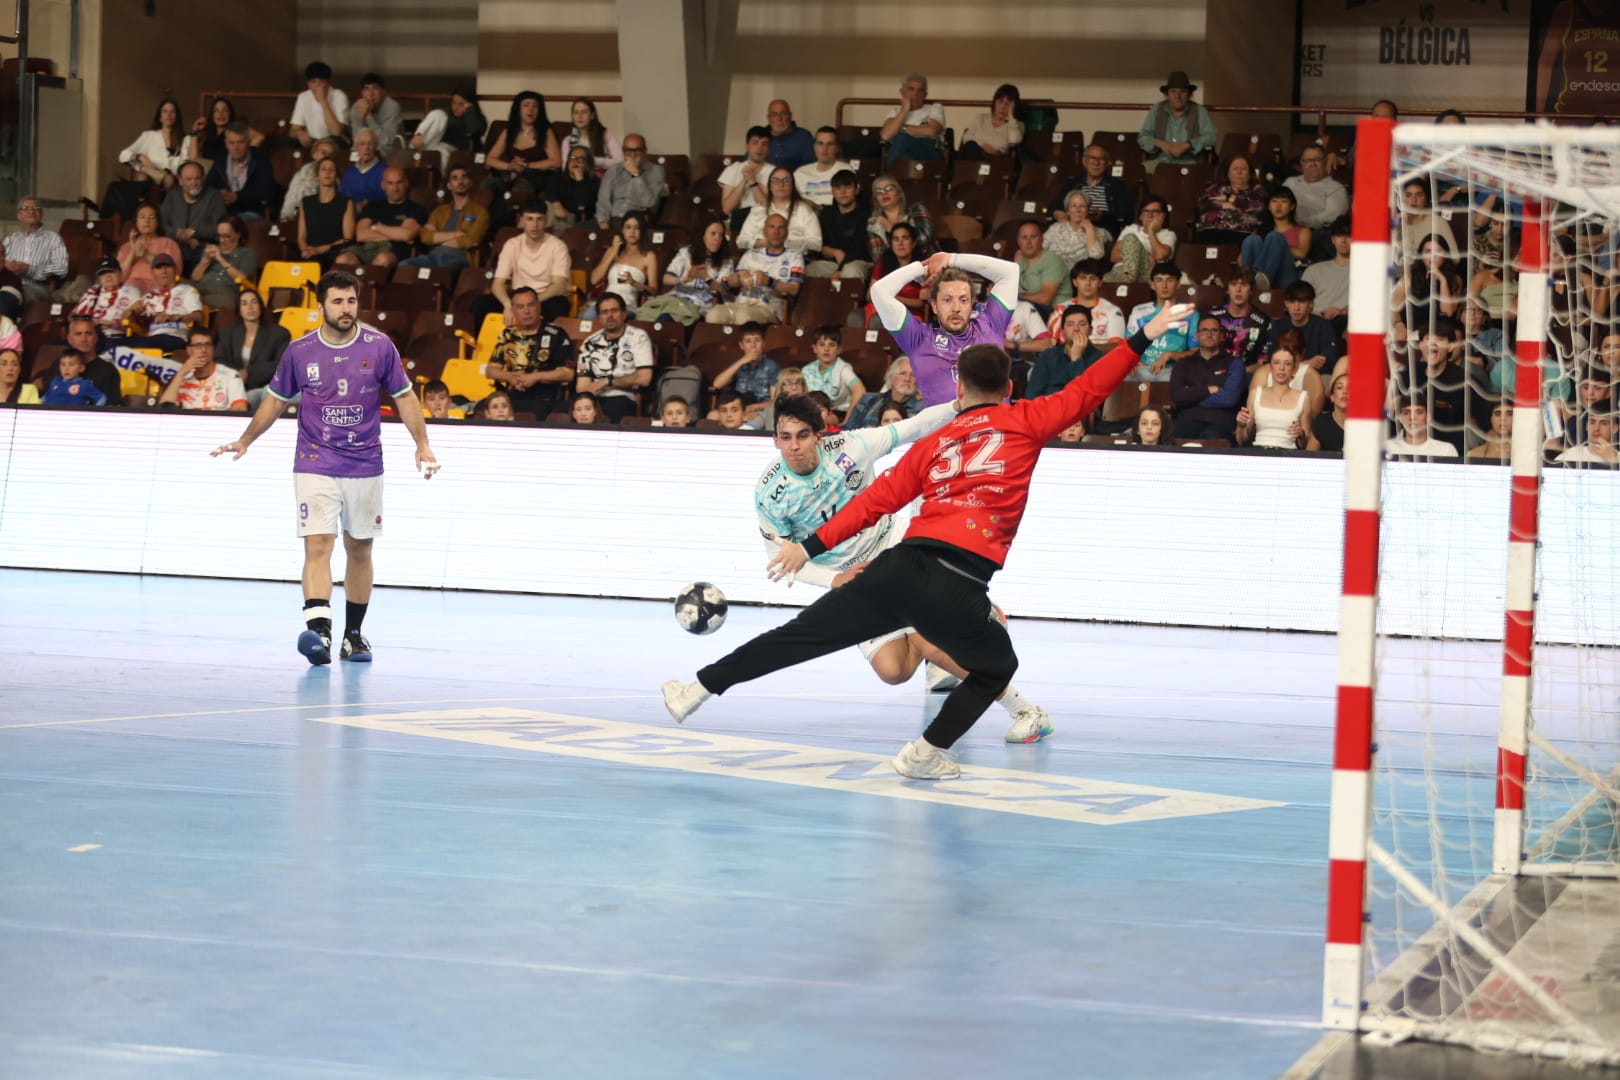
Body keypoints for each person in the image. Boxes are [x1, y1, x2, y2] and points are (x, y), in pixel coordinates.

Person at [661, 303, 1195, 779]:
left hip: (897, 566)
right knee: (995, 667)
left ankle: (695, 691)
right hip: (957, 580)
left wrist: (809, 547)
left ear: (959, 391)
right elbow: (1091, 387)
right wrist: (1142, 337)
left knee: (795, 638)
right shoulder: (1028, 419)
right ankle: (924, 752)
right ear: (1009, 389)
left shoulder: (937, 442)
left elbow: (876, 502)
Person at [757, 392, 1053, 739]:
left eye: (803, 435)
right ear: (775, 440)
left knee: (931, 645)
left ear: (818, 436)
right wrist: (835, 580)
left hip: (894, 548)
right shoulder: (770, 494)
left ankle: (1026, 712)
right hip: (852, 578)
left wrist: (955, 406)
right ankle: (965, 614)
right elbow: (783, 558)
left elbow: (914, 426)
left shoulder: (852, 446)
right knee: (894, 670)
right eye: (786, 437)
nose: (794, 446)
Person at [210, 269, 439, 665]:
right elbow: (275, 399)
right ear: (321, 307)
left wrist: (422, 443)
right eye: (337, 301)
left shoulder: (380, 346)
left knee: (360, 548)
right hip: (315, 460)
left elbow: (404, 396)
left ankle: (354, 636)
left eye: (351, 300)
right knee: (318, 544)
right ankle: (319, 633)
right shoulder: (300, 351)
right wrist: (246, 439)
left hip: (365, 461)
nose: (346, 308)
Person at [871, 250, 1019, 408]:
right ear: (934, 305)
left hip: (995, 422)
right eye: (947, 300)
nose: (956, 308)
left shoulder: (991, 324)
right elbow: (879, 291)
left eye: (963, 300)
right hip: (946, 424)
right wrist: (921, 269)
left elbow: (1011, 271)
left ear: (972, 304)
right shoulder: (918, 339)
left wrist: (951, 259)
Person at [485, 285, 576, 418]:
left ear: (539, 306)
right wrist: (510, 377)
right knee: (482, 408)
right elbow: (490, 370)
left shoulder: (556, 334)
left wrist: (535, 377)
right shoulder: (508, 334)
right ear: (513, 310)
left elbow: (568, 374)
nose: (526, 311)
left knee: (531, 414)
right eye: (520, 307)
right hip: (513, 394)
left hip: (545, 397)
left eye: (531, 305)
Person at [707, 214, 802, 325]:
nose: (776, 232)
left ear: (787, 233)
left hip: (767, 308)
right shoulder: (750, 254)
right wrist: (739, 275)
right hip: (740, 303)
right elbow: (729, 284)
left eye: (780, 228)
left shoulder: (794, 257)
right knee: (714, 315)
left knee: (743, 316)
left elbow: (794, 289)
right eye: (771, 227)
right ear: (764, 231)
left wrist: (770, 282)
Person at [573, 293, 653, 422]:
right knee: (563, 410)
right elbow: (582, 386)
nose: (610, 316)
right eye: (605, 312)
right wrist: (586, 405)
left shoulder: (638, 337)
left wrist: (607, 381)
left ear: (624, 314)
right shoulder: (589, 342)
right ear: (599, 318)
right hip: (593, 400)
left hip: (623, 397)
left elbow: (644, 378)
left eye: (614, 311)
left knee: (614, 408)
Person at [639, 217, 735, 326]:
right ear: (702, 235)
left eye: (721, 235)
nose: (717, 238)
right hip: (675, 300)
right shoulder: (686, 252)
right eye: (713, 234)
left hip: (699, 306)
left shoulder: (726, 261)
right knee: (649, 315)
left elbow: (723, 290)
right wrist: (684, 279)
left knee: (666, 319)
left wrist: (707, 278)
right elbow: (666, 279)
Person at [1170, 312, 1247, 439]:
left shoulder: (1235, 363)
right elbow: (1177, 396)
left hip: (1221, 421)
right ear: (1197, 335)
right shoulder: (1183, 363)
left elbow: (1229, 399)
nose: (1209, 334)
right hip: (1188, 420)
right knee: (1175, 435)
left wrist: (1191, 397)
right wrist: (1209, 390)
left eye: (1214, 330)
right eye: (1204, 330)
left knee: (1212, 436)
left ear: (1221, 336)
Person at [336, 167, 427, 272]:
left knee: (383, 259)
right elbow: (361, 235)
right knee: (343, 259)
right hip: (366, 249)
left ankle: (366, 282)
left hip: (394, 251)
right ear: (383, 185)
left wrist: (376, 227)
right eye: (390, 183)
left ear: (406, 183)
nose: (395, 188)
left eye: (399, 182)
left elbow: (406, 235)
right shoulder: (372, 206)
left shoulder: (416, 209)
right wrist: (396, 233)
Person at [403, 165, 490, 270]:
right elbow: (425, 236)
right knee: (404, 265)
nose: (460, 181)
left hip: (458, 257)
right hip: (434, 257)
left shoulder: (480, 212)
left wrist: (439, 239)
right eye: (455, 178)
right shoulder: (439, 211)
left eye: (464, 177)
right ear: (449, 186)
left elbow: (471, 240)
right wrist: (456, 234)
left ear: (470, 183)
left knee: (441, 272)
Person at [485, 92, 563, 206]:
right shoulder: (509, 131)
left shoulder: (545, 131)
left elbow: (556, 162)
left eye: (535, 106)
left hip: (534, 177)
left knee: (521, 185)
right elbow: (490, 159)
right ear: (518, 109)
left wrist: (527, 165)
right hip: (511, 174)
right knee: (487, 184)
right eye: (526, 105)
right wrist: (509, 166)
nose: (531, 110)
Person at [219, 288, 291, 408]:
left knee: (252, 397)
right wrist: (236, 375)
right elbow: (219, 359)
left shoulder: (279, 334)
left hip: (264, 387)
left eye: (254, 302)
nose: (250, 307)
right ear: (239, 309)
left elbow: (281, 365)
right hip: (234, 386)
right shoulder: (228, 333)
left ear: (260, 306)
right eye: (244, 304)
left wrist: (249, 373)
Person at [1124, 261, 1195, 382]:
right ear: (1152, 285)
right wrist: (1132, 362)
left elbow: (1196, 352)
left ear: (1178, 284)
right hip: (1140, 369)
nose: (1164, 285)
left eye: (1169, 280)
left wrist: (1170, 355)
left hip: (1171, 371)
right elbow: (1128, 344)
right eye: (1159, 280)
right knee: (1117, 376)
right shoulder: (1139, 311)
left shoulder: (1189, 314)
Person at [1236, 343, 1314, 449]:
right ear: (1270, 367)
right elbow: (1242, 440)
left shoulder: (1304, 398)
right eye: (1277, 363)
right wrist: (1240, 426)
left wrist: (1300, 435)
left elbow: (1305, 444)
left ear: (1293, 369)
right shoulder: (1255, 394)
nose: (1281, 368)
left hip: (1287, 454)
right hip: (1259, 452)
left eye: (1287, 364)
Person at [1054, 144, 1135, 239]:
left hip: (1102, 230)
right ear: (1084, 161)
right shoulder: (1072, 184)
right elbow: (1054, 207)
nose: (1096, 163)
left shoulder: (1117, 185)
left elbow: (1127, 215)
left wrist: (1102, 215)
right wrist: (1058, 213)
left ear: (1106, 163)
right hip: (1073, 229)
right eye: (1092, 158)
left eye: (1101, 159)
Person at [1137, 71, 1217, 167]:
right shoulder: (1157, 109)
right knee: (1140, 170)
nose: (1177, 96)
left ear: (1189, 94)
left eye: (1182, 92)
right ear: (1167, 94)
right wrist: (1161, 144)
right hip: (1160, 162)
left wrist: (1188, 144)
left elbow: (1212, 137)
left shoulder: (1199, 111)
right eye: (1173, 91)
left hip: (1191, 163)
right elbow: (1143, 137)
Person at [157, 328, 248, 412]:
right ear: (189, 350)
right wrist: (181, 373)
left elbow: (240, 408)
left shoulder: (230, 375)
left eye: (207, 345)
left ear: (213, 349)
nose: (204, 350)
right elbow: (164, 410)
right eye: (198, 345)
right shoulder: (181, 377)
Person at [586, 211, 659, 316]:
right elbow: (594, 279)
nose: (632, 231)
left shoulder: (648, 256)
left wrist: (634, 283)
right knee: (588, 315)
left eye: (636, 228)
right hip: (605, 303)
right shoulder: (613, 250)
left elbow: (654, 290)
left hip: (627, 306)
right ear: (622, 231)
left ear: (642, 231)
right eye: (628, 227)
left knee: (615, 316)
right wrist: (614, 249)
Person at [125, 254, 202, 351]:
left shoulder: (187, 290)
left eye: (168, 267)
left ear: (175, 270)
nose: (164, 271)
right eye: (159, 268)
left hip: (175, 336)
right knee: (120, 346)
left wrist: (175, 317)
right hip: (151, 338)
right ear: (152, 273)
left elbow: (198, 316)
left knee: (144, 345)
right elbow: (127, 316)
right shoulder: (149, 296)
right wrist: (130, 311)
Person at [737, 166, 822, 253]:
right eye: (775, 180)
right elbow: (741, 241)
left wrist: (786, 243)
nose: (781, 184)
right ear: (769, 186)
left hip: (794, 257)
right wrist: (762, 243)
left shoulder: (804, 210)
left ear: (793, 186)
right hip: (760, 256)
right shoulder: (758, 209)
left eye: (786, 180)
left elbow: (816, 244)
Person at [1025, 306, 1104, 399]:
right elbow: (1031, 395)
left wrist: (1076, 359)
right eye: (1070, 324)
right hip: (1049, 405)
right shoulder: (1048, 356)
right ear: (1062, 331)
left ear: (1090, 330)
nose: (1076, 329)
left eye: (1082, 324)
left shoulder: (1100, 359)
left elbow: (1086, 396)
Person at [1239, 186, 1310, 290]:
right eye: (1274, 201)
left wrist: (1278, 246)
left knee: (1275, 237)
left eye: (1284, 201)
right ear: (1269, 206)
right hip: (1255, 277)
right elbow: (1241, 259)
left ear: (1292, 206)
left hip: (1286, 276)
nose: (1278, 205)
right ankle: (1248, 282)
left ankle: (1263, 277)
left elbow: (1301, 254)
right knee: (1252, 239)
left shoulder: (1302, 230)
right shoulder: (1260, 230)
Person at [807, 169, 872, 281]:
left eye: (847, 187)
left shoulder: (866, 214)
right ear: (832, 191)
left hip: (859, 261)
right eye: (838, 188)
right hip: (832, 263)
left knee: (850, 271)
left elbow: (859, 248)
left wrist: (840, 270)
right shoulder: (827, 214)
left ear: (857, 189)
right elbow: (821, 246)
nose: (843, 192)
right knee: (809, 270)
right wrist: (834, 252)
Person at [162, 160, 227, 272]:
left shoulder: (214, 197)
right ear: (180, 180)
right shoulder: (172, 196)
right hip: (175, 247)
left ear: (203, 179)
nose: (194, 183)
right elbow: (161, 225)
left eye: (197, 178)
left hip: (203, 249)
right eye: (189, 179)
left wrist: (193, 232)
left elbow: (221, 228)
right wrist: (178, 234)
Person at [709, 321, 780, 421]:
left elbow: (774, 402)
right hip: (736, 409)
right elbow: (717, 384)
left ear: (764, 343)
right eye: (748, 341)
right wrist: (741, 361)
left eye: (757, 340)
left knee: (749, 417)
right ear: (741, 345)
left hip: (760, 410)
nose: (753, 345)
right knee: (712, 416)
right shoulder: (737, 364)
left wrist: (754, 407)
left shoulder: (772, 366)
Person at [1044, 258, 1125, 346]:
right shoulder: (1060, 310)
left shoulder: (1113, 311)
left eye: (1093, 278)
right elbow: (1050, 344)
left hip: (1100, 355)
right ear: (1075, 282)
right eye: (1083, 278)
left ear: (1100, 282)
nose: (1087, 283)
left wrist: (1085, 348)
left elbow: (1116, 346)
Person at [206, 122, 276, 221]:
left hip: (251, 212)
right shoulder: (220, 160)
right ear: (226, 143)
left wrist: (237, 196)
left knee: (231, 223)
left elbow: (267, 191)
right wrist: (218, 194)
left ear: (248, 143)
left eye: (241, 142)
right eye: (231, 143)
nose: (236, 148)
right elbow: (208, 187)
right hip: (223, 212)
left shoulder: (260, 160)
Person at [4, 197, 68, 304]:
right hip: (10, 285)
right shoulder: (11, 239)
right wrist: (6, 267)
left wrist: (29, 269)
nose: (31, 212)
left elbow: (62, 269)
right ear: (19, 215)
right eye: (26, 208)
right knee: (8, 293)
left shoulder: (53, 238)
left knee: (14, 294)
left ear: (41, 214)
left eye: (36, 208)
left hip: (38, 288)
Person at [594, 134, 664, 229]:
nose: (633, 155)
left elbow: (650, 203)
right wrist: (603, 223)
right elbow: (603, 201)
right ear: (623, 151)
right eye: (628, 150)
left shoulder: (656, 171)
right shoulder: (613, 170)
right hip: (612, 218)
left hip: (636, 220)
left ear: (645, 151)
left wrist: (636, 174)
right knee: (578, 229)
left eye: (637, 150)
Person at [1195, 156, 1268, 245]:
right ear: (1228, 173)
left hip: (1240, 232)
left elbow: (1258, 206)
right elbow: (1203, 204)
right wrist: (1224, 205)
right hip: (1210, 230)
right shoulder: (1216, 188)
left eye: (1243, 169)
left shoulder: (1257, 190)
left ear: (1250, 173)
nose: (1239, 172)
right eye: (1235, 168)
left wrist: (1230, 198)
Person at [411, 87, 487, 171]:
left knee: (441, 151)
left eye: (461, 104)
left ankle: (440, 177)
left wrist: (470, 110)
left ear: (470, 105)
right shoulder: (446, 117)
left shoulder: (476, 119)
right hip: (430, 145)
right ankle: (415, 142)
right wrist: (419, 134)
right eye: (453, 103)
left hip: (454, 150)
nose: (456, 107)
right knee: (438, 113)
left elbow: (475, 130)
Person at [298, 157, 355, 269]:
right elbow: (301, 237)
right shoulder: (306, 202)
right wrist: (306, 250)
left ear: (337, 176)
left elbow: (347, 238)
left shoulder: (346, 202)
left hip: (333, 252)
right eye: (323, 169)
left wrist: (319, 250)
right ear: (317, 177)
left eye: (332, 169)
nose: (327, 172)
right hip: (310, 252)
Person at [190, 214, 257, 309]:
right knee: (183, 288)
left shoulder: (247, 253)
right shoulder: (212, 250)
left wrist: (220, 259)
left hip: (224, 291)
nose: (221, 240)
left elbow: (242, 278)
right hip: (201, 289)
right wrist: (205, 260)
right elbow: (195, 278)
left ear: (238, 234)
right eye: (219, 236)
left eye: (226, 236)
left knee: (193, 301)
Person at [1104, 196, 1175, 284]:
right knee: (1102, 281)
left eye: (1155, 211)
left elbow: (1159, 256)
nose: (1150, 215)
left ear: (1163, 215)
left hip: (1147, 274)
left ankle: (1130, 278)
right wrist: (1146, 255)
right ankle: (1128, 278)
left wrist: (1151, 231)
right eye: (1146, 211)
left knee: (1131, 238)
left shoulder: (1168, 234)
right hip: (1119, 271)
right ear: (1140, 216)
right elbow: (1114, 256)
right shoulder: (1130, 229)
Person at [1212, 266, 1272, 369]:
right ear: (1227, 290)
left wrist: (1239, 373)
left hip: (1247, 373)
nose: (1238, 290)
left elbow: (1263, 362)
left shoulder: (1262, 321)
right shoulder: (1213, 316)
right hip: (1214, 372)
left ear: (1251, 290)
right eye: (1233, 284)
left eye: (1244, 285)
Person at [866, 175, 933, 265]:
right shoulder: (874, 222)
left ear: (899, 193)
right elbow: (878, 256)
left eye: (889, 189)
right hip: (891, 268)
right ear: (876, 200)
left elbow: (923, 240)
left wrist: (891, 228)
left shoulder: (916, 210)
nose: (884, 193)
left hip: (924, 263)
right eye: (879, 192)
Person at [718, 126, 774, 234]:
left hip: (764, 222)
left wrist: (753, 182)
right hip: (738, 222)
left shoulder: (775, 172)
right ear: (747, 146)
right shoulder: (733, 169)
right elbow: (726, 208)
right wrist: (744, 180)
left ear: (769, 148)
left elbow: (768, 208)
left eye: (764, 144)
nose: (760, 148)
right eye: (755, 143)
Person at [880, 73, 946, 164]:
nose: (915, 94)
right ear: (902, 92)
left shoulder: (934, 108)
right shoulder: (895, 112)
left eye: (920, 90)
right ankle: (899, 171)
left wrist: (902, 129)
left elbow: (932, 131)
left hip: (929, 151)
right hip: (903, 153)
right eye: (911, 89)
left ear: (925, 94)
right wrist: (904, 110)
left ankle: (892, 172)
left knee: (901, 138)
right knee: (902, 149)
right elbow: (886, 135)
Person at [802, 325, 866, 418]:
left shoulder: (843, 368)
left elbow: (860, 390)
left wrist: (847, 420)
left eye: (831, 345)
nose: (826, 349)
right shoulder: (806, 370)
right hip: (811, 412)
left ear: (839, 350)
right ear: (814, 348)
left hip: (836, 413)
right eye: (822, 344)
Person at [116, 205, 183, 293]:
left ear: (157, 223)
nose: (147, 221)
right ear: (136, 222)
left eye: (151, 218)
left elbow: (176, 272)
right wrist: (132, 253)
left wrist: (146, 256)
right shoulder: (126, 248)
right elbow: (118, 278)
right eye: (142, 217)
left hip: (159, 290)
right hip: (131, 290)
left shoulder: (169, 244)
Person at [844, 354, 923, 428]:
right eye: (902, 373)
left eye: (913, 375)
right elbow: (849, 430)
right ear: (891, 378)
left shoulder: (922, 410)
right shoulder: (868, 400)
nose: (907, 379)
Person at [73, 258, 142, 339]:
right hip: (89, 336)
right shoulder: (92, 292)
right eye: (103, 273)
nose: (108, 276)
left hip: (116, 337)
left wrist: (111, 323)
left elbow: (137, 322)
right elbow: (73, 315)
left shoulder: (132, 291)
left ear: (120, 273)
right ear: (99, 278)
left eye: (111, 272)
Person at [287, 61, 349, 148]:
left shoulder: (339, 96)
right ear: (308, 84)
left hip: (335, 142)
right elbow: (293, 130)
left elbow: (336, 132)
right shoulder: (303, 97)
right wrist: (299, 132)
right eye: (313, 81)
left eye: (321, 81)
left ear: (328, 83)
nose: (317, 85)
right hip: (312, 142)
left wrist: (323, 101)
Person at [1045, 190, 1109, 270]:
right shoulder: (1056, 228)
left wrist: (1089, 229)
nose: (1078, 210)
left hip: (1078, 274)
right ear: (1068, 211)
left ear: (1088, 210)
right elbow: (1039, 248)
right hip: (1051, 271)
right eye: (1073, 206)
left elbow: (1096, 256)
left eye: (1082, 206)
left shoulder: (1099, 232)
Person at [958, 84, 1023, 160]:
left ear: (1014, 106)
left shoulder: (1017, 125)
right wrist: (983, 146)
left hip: (997, 161)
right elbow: (966, 137)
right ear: (994, 102)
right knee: (970, 146)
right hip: (975, 155)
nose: (1003, 107)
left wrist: (1011, 119)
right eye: (1000, 101)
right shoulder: (981, 118)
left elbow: (1015, 141)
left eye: (1008, 103)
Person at [794, 128, 856, 207]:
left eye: (830, 144)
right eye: (820, 143)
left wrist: (817, 207)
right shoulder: (800, 173)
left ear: (837, 148)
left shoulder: (845, 170)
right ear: (814, 146)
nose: (824, 149)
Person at [549, 146, 603, 233]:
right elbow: (550, 193)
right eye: (572, 157)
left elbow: (582, 206)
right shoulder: (558, 178)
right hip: (561, 218)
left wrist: (579, 180)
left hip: (584, 222)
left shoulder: (594, 182)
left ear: (587, 164)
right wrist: (556, 204)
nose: (575, 161)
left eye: (580, 159)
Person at [1384, 399, 1459, 458]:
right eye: (1406, 413)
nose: (1412, 417)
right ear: (1400, 418)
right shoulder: (1387, 448)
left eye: (1419, 412)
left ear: (1428, 417)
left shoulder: (1446, 450)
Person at [564, 98, 622, 174]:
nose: (579, 116)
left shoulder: (606, 134)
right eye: (576, 112)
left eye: (584, 112)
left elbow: (620, 161)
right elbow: (565, 168)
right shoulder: (568, 141)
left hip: (605, 177)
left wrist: (594, 161)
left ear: (592, 115)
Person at [348, 73, 403, 151]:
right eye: (366, 89)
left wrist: (368, 115)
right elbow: (357, 139)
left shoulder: (392, 107)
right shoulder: (356, 107)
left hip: (391, 150)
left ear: (383, 92)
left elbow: (386, 141)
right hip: (367, 150)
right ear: (362, 93)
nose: (370, 94)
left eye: (375, 88)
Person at [41, 348, 108, 407]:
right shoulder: (55, 381)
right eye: (63, 364)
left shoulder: (84, 385)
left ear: (81, 368)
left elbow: (101, 398)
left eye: (71, 364)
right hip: (50, 416)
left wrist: (92, 412)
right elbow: (44, 398)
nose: (66, 369)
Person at [338, 129, 387, 207]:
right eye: (362, 144)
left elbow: (388, 196)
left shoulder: (385, 171)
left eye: (370, 144)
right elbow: (342, 198)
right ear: (356, 147)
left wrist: (366, 203)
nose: (366, 148)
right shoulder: (350, 172)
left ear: (376, 146)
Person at [764, 100, 815, 172]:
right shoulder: (760, 137)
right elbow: (750, 162)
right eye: (775, 114)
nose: (779, 119)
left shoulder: (804, 137)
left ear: (790, 116)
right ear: (769, 118)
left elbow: (813, 167)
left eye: (783, 114)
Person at [1307, 371, 1348, 452]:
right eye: (1339, 388)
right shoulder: (1321, 423)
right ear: (1332, 397)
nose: (1344, 392)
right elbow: (1309, 456)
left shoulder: (1365, 425)